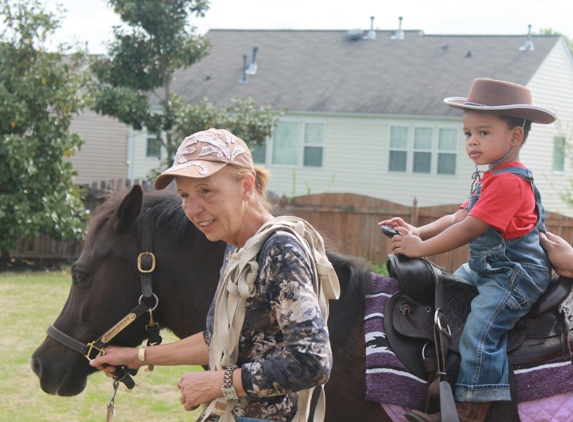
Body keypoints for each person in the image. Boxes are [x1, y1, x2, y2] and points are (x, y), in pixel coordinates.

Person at [90, 128, 339, 422]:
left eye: (205, 191)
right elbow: (218, 340)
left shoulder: (280, 249)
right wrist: (136, 356)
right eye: (184, 195)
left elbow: (312, 361)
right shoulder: (239, 248)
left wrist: (216, 382)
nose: (192, 209)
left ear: (247, 186)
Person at [379, 79, 557, 422]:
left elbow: (469, 229)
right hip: (489, 268)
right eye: (467, 133)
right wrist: (418, 230)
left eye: (484, 132)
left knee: (480, 329)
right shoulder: (490, 177)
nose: (472, 141)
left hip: (515, 275)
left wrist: (420, 248)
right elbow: (458, 215)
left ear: (515, 137)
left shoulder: (509, 182)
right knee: (447, 298)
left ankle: (470, 408)